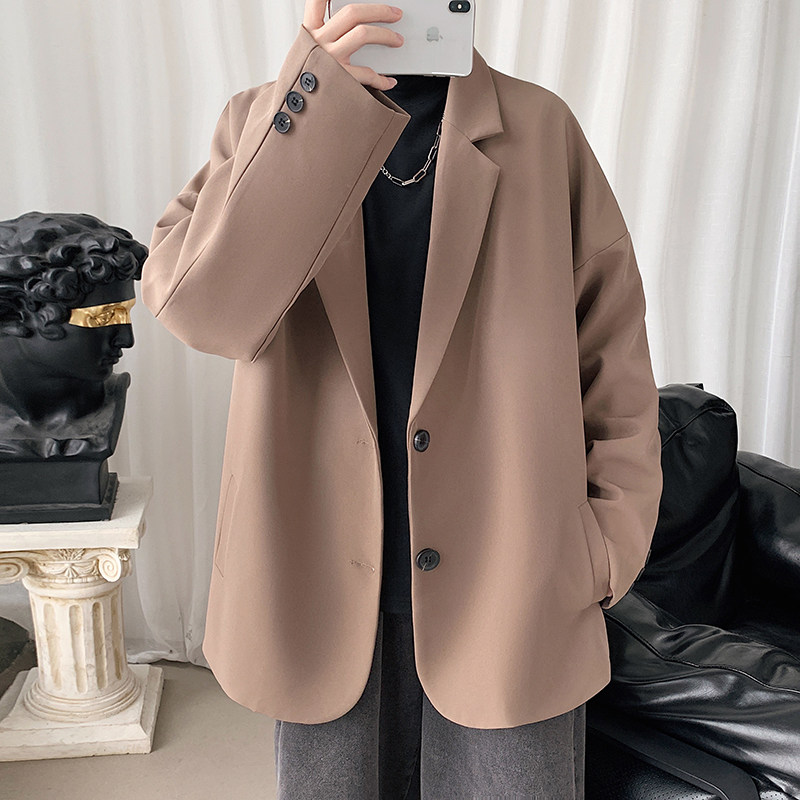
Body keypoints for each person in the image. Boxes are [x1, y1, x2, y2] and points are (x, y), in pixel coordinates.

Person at [142, 2, 663, 797]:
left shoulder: (539, 130)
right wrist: (310, 101)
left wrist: (605, 544)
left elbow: (614, 353)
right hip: (316, 577)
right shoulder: (262, 122)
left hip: (515, 585)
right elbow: (204, 312)